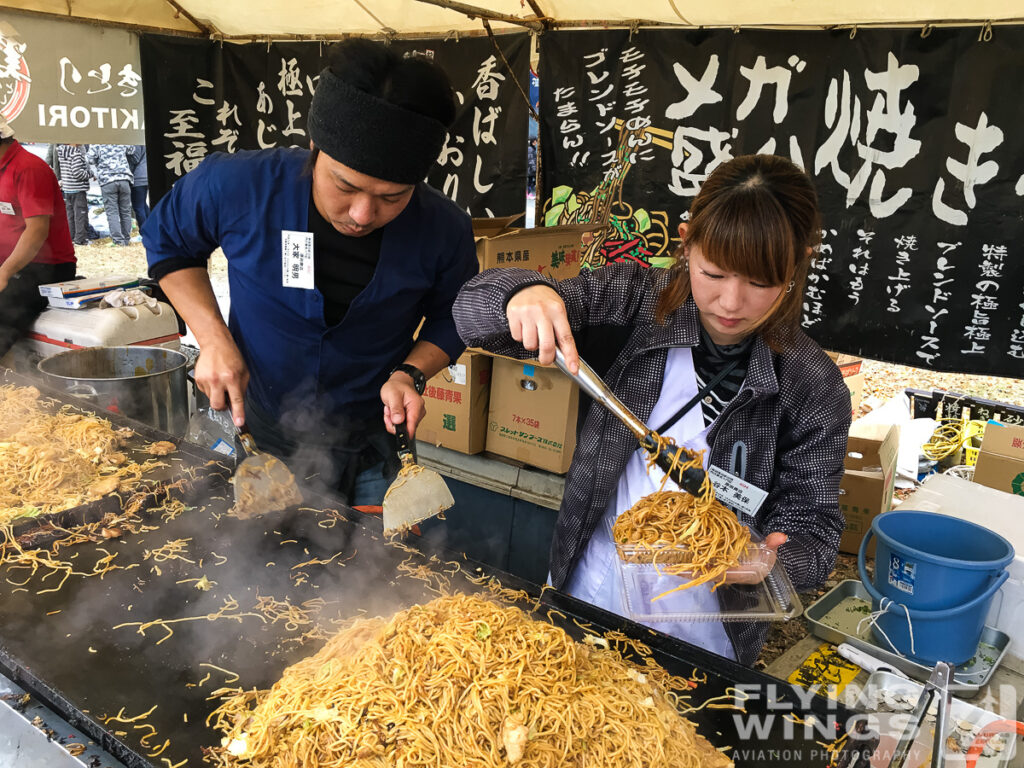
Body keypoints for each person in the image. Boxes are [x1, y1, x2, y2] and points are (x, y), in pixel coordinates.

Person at [453, 154, 850, 665]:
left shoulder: (811, 383)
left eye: (760, 282)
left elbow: (813, 525)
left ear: (799, 263)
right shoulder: (637, 304)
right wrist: (522, 293)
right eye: (714, 272)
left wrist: (772, 559)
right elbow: (472, 314)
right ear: (686, 242)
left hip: (705, 632)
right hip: (587, 591)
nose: (731, 302)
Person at [143, 39, 478, 506]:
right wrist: (213, 339)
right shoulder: (238, 185)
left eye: (392, 197)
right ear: (315, 145)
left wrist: (410, 374)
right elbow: (169, 245)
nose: (362, 214)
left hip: (373, 437)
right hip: (259, 429)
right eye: (346, 186)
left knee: (372, 568)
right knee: (262, 559)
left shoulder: (444, 227)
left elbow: (455, 315)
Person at [0, 118, 77, 358]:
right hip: (11, 265)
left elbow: (36, 232)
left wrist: (4, 272)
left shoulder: (29, 168)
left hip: (46, 268)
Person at [86, 143, 133, 245]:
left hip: (107, 181)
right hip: (124, 179)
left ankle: (118, 241)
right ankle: (126, 239)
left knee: (112, 212)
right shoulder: (119, 138)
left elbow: (89, 158)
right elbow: (132, 150)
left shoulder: (97, 141)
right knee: (126, 212)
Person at [57, 144, 91, 245]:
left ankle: (71, 237)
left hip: (67, 188)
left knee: (70, 215)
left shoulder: (61, 152)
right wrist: (90, 173)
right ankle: (80, 239)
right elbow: (77, 173)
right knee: (80, 215)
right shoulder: (76, 154)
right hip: (78, 189)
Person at [127, 144, 149, 229]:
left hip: (138, 177)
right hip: (145, 175)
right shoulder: (144, 141)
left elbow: (135, 159)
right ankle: (151, 227)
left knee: (138, 207)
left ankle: (144, 230)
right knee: (143, 204)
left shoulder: (136, 142)